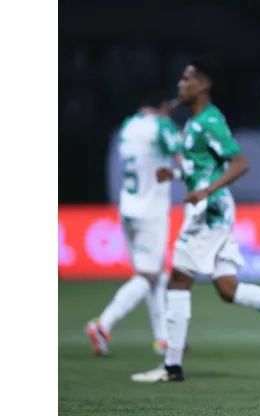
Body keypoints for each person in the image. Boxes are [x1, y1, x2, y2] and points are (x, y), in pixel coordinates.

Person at [131, 57, 260, 383]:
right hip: (211, 207)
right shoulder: (192, 123)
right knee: (227, 289)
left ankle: (172, 367)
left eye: (187, 78)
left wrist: (205, 191)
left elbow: (240, 163)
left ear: (203, 85)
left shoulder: (209, 121)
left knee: (178, 279)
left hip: (210, 210)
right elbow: (203, 167)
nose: (181, 83)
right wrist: (177, 173)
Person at [86, 94, 181, 357]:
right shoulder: (162, 127)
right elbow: (182, 157)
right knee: (146, 275)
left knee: (157, 272)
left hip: (128, 206)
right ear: (163, 106)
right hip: (151, 209)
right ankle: (103, 324)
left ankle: (163, 339)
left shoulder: (129, 125)